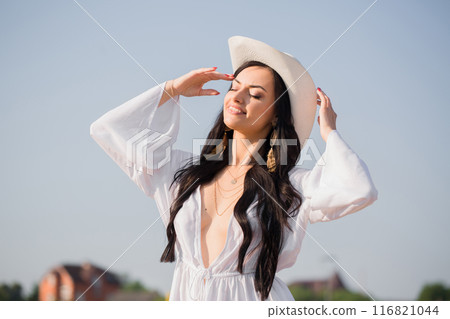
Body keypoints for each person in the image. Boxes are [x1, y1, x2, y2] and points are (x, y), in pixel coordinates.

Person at [90, 36, 378, 301]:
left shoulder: (290, 187)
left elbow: (359, 189)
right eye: (234, 87)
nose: (237, 97)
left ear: (277, 114)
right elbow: (108, 130)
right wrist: (173, 88)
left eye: (255, 94)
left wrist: (328, 132)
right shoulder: (183, 172)